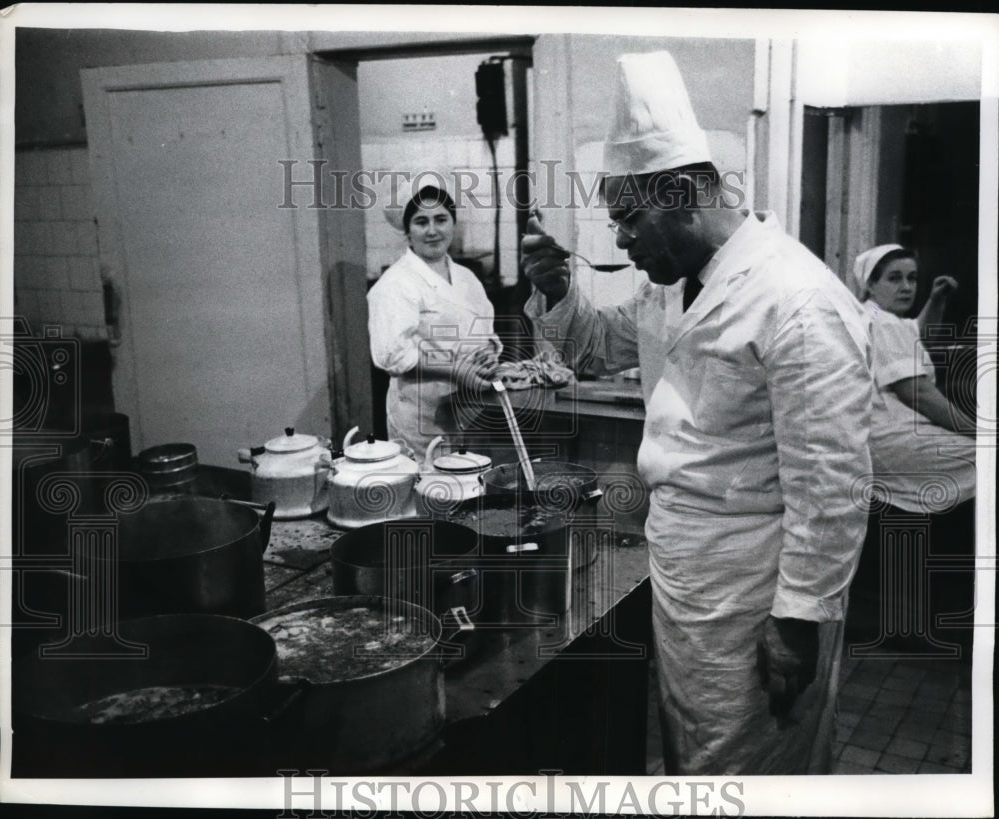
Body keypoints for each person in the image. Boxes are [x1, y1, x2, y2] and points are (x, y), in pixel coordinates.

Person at [521, 51, 873, 775]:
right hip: (687, 576)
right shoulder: (670, 285)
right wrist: (558, 290)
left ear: (683, 192)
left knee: (753, 766)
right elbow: (594, 345)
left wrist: (800, 618)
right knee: (695, 752)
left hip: (757, 587)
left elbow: (832, 484)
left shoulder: (795, 301)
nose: (618, 240)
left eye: (627, 219)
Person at [367, 182, 501, 462]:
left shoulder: (467, 277)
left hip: (470, 408)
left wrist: (487, 354)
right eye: (421, 222)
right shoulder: (395, 284)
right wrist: (456, 370)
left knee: (472, 484)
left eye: (441, 219)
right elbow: (393, 355)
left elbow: (486, 330)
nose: (432, 230)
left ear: (453, 223)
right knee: (431, 491)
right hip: (422, 416)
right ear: (407, 231)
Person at [854, 244, 976, 513]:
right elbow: (917, 394)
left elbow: (916, 338)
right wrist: (978, 431)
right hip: (891, 437)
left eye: (912, 278)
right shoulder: (883, 322)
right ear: (871, 284)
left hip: (870, 436)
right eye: (895, 278)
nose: (907, 286)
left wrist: (936, 299)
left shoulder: (870, 315)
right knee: (987, 458)